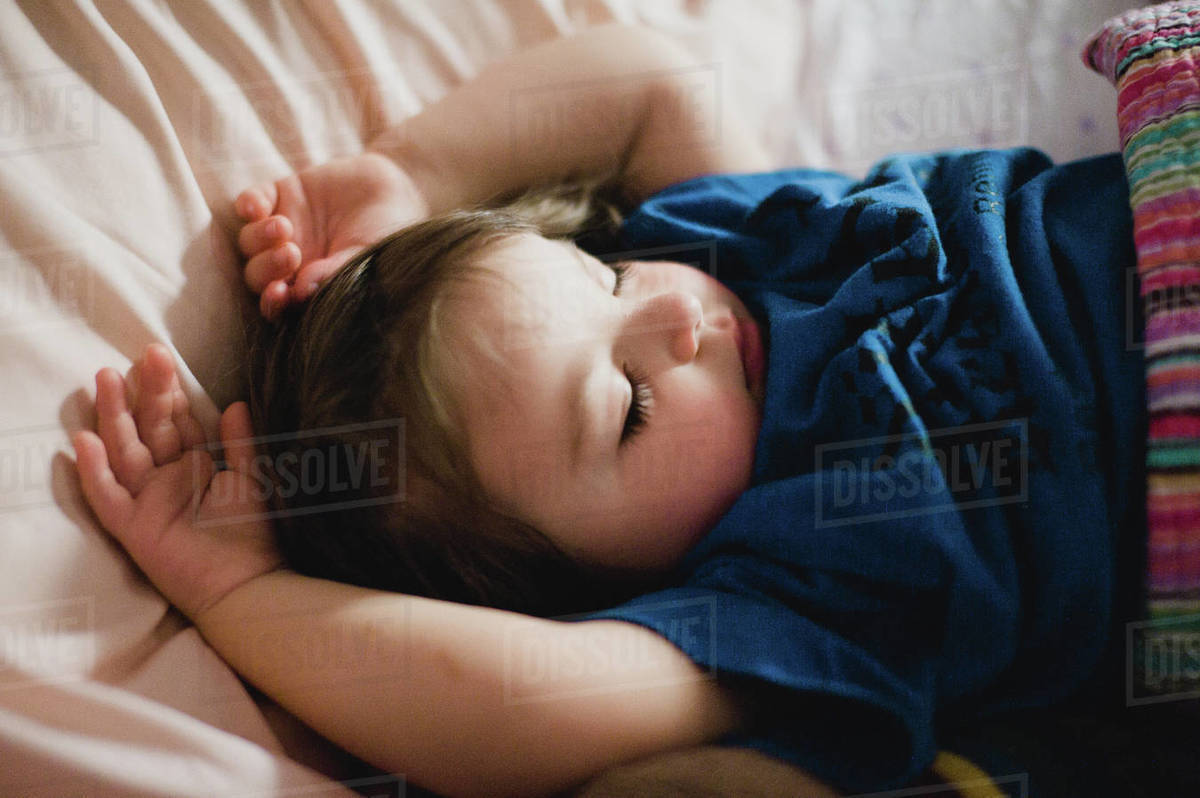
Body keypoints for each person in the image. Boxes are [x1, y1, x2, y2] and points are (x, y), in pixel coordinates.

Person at [71, 21, 1145, 798]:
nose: (678, 321)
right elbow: (522, 702)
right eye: (629, 409)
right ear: (587, 590)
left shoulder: (734, 246)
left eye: (603, 281)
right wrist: (245, 591)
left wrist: (411, 171)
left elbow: (651, 83)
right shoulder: (782, 589)